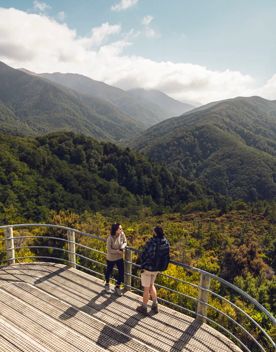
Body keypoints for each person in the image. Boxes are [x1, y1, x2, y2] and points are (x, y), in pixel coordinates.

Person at [136, 226, 170, 315]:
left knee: (146, 288)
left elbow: (145, 254)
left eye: (153, 231)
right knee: (152, 285)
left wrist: (141, 264)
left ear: (155, 233)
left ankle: (144, 307)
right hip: (157, 268)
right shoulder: (165, 242)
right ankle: (155, 305)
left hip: (148, 268)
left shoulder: (152, 241)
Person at [105, 223, 127, 296]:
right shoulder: (110, 238)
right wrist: (117, 251)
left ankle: (117, 286)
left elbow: (125, 242)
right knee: (109, 271)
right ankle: (107, 284)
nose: (121, 230)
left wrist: (122, 247)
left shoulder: (122, 234)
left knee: (121, 272)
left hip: (119, 257)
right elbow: (109, 250)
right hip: (111, 258)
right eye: (120, 229)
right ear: (116, 230)